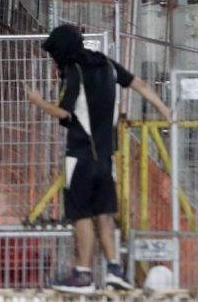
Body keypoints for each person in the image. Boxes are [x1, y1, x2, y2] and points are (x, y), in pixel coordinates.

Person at [30, 24, 172, 293]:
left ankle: (82, 275)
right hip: (106, 160)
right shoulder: (108, 65)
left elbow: (64, 114)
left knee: (82, 217)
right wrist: (164, 109)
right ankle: (115, 271)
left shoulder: (75, 72)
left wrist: (37, 101)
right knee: (104, 216)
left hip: (80, 158)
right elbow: (139, 84)